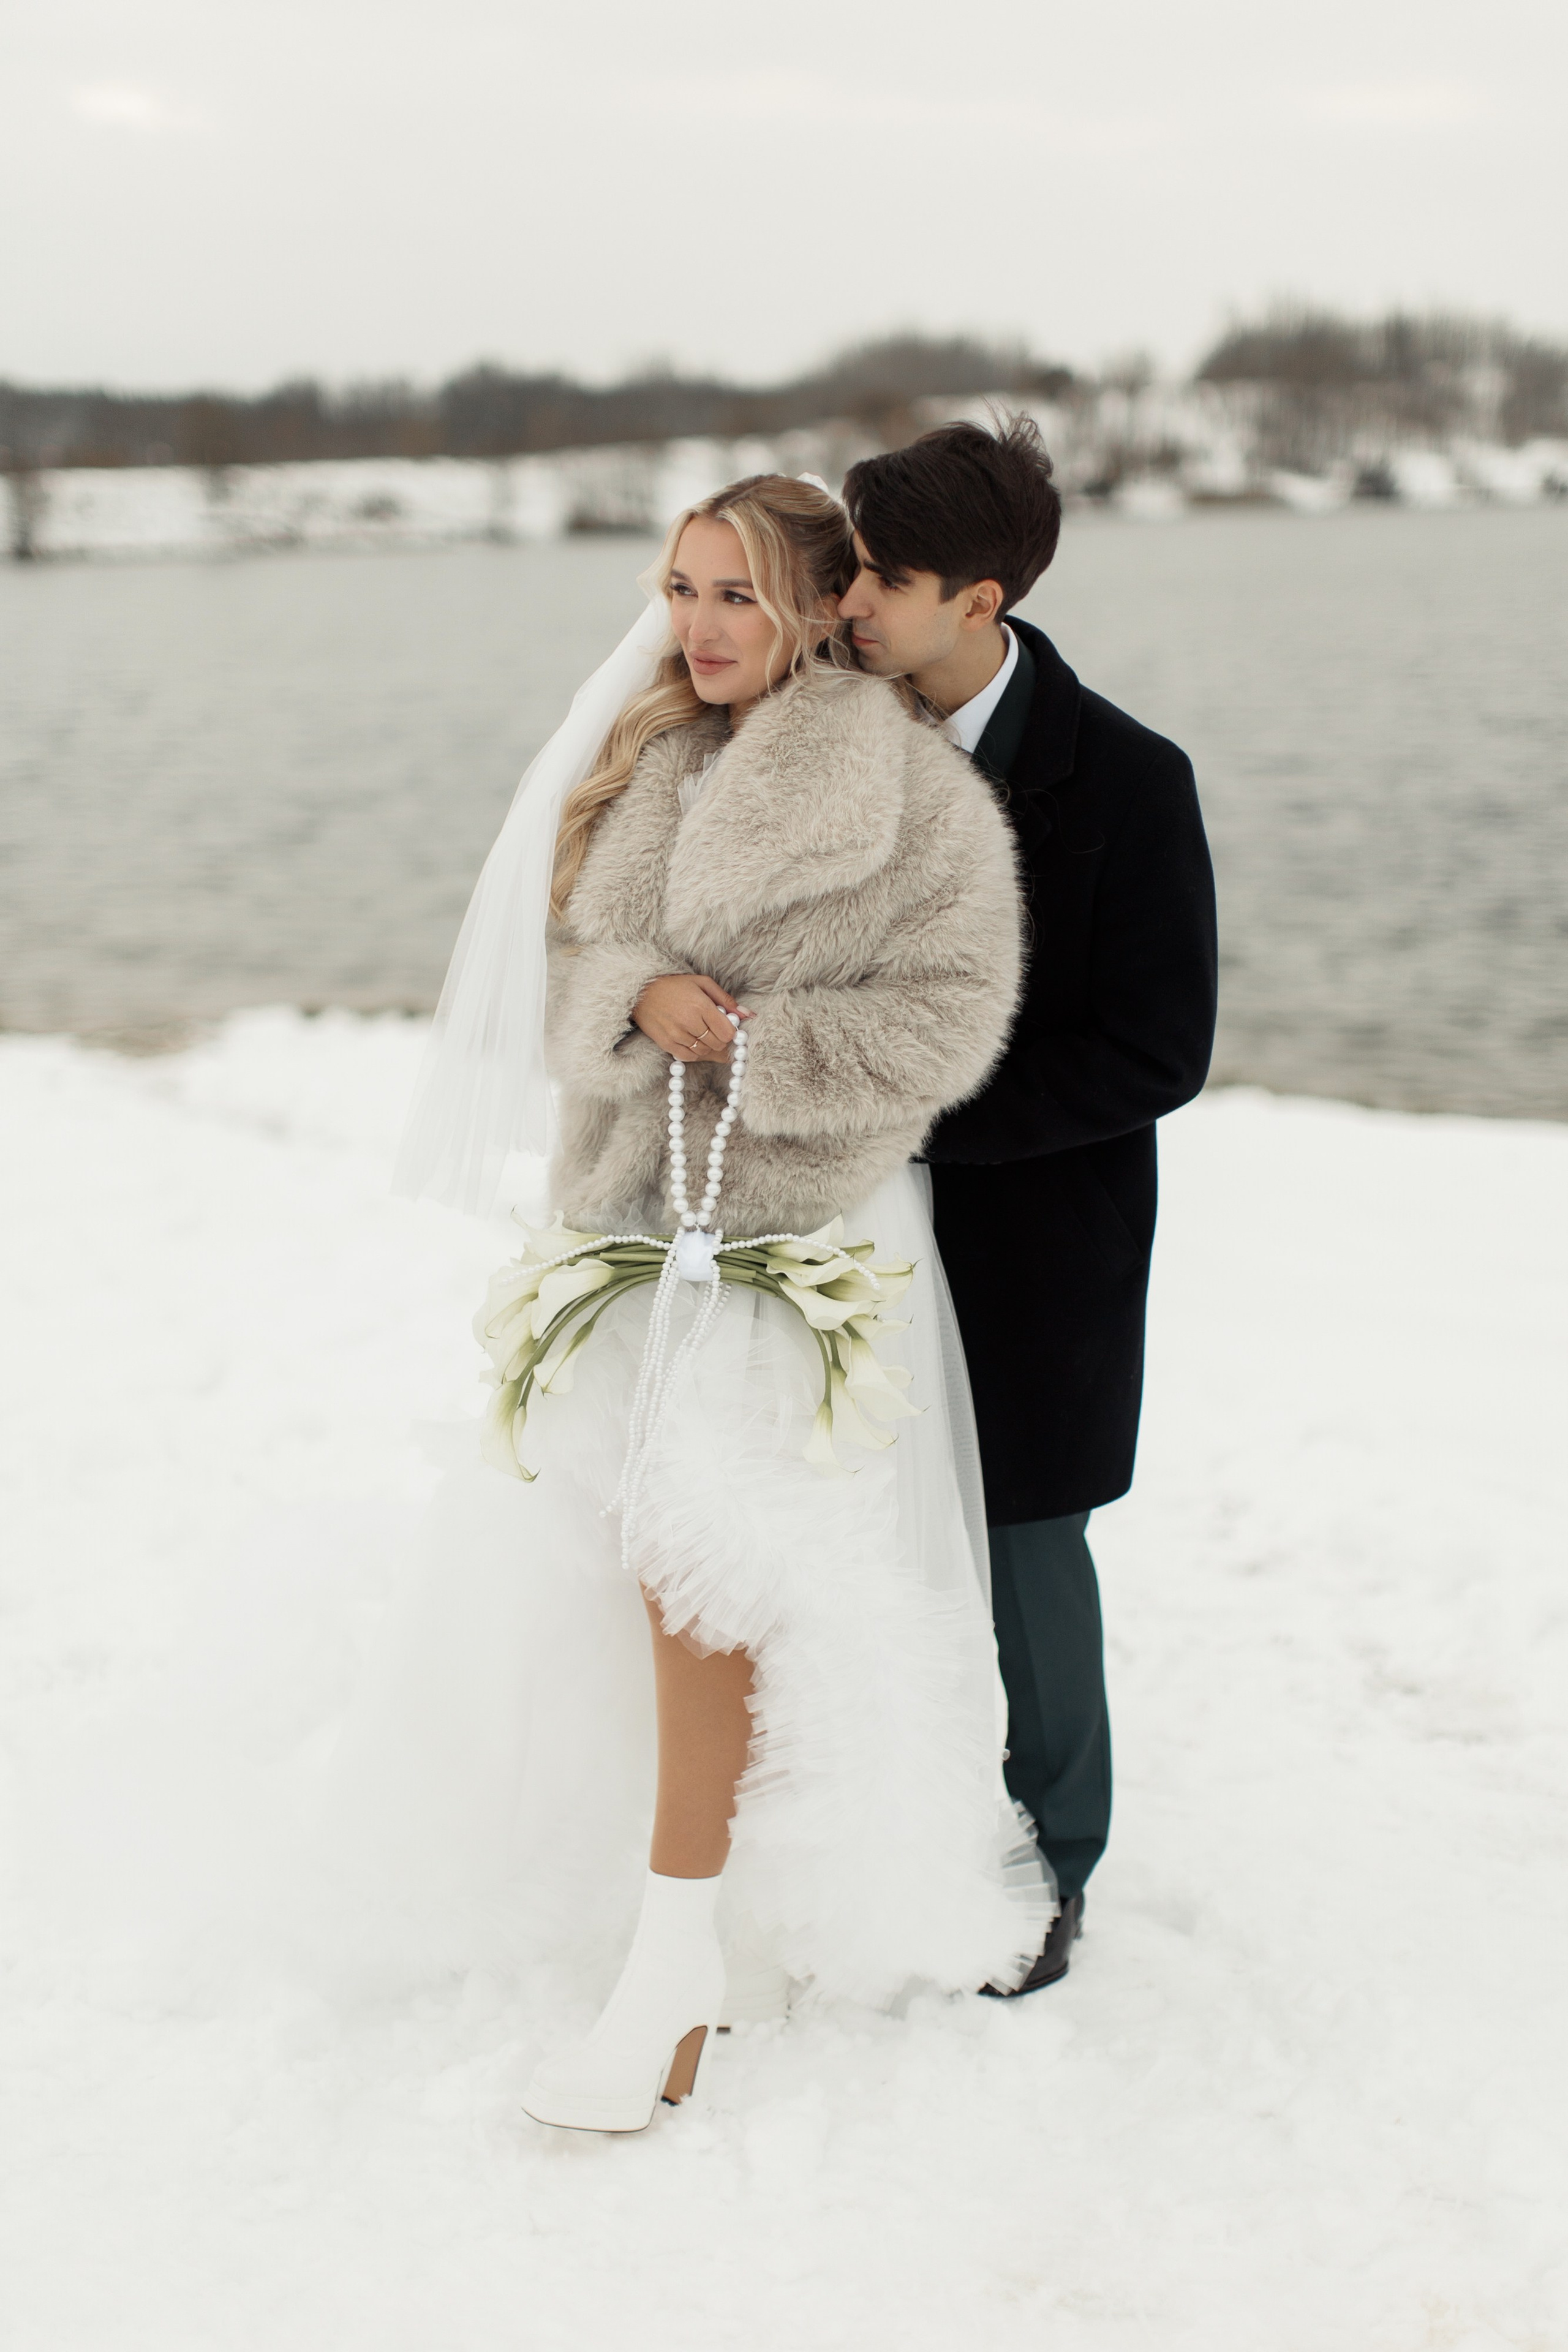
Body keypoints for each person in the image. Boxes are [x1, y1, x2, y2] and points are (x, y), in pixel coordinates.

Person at [394, 473, 1047, 2134]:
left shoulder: (914, 793)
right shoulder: (646, 761)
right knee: (634, 1573)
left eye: (738, 593)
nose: (696, 626)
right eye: (681, 587)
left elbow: (956, 1012)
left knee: (708, 1575)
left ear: (825, 607)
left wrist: (756, 1044)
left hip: (796, 1232)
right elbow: (552, 971)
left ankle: (675, 1962)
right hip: (625, 1224)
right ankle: (717, 1925)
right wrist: (637, 1001)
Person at [839, 418, 1219, 1991]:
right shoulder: (824, 730)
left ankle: (1052, 1863)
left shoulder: (1127, 778)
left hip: (1036, 1243)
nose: (848, 601)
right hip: (837, 1225)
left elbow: (1156, 1048)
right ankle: (856, 1828)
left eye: (883, 577)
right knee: (835, 1526)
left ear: (977, 601)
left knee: (1024, 1549)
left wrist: (912, 1113)